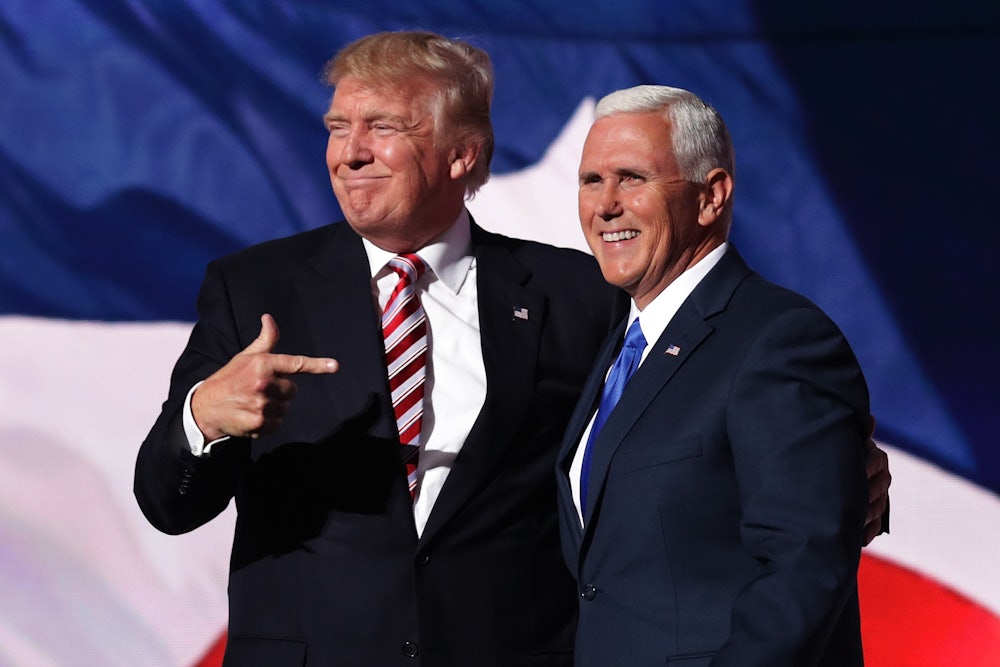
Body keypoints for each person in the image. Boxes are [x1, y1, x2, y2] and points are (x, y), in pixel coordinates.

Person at [135, 32, 889, 666]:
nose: (350, 153)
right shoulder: (254, 288)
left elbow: (697, 432)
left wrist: (835, 482)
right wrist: (203, 418)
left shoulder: (583, 296)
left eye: (382, 128)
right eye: (337, 127)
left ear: (464, 155)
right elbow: (164, 501)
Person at [556, 84, 874, 666]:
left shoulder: (780, 339)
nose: (605, 204)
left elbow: (801, 569)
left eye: (632, 177)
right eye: (590, 181)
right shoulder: (619, 346)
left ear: (711, 197)